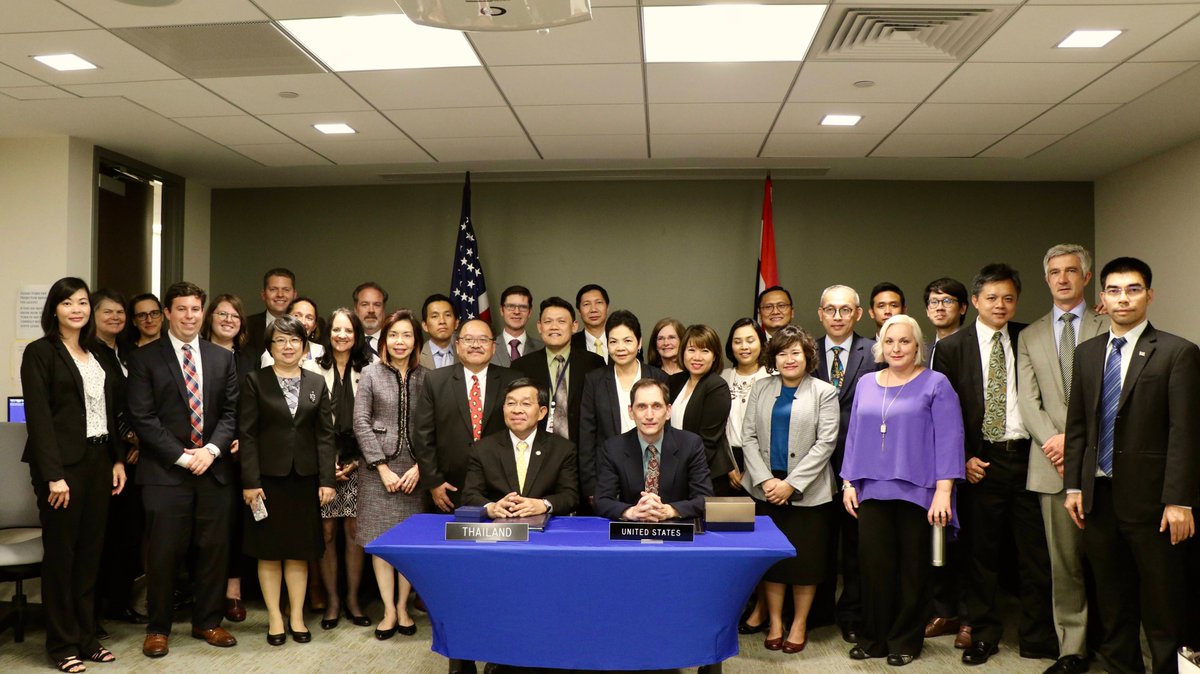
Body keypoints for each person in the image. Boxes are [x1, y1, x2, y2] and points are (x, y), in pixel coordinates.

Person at [1064, 257, 1200, 674]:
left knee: (1162, 606)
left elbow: (1186, 432)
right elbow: (1078, 427)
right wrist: (1073, 486)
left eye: (1134, 289)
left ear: (1149, 295)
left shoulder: (1178, 353)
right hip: (1098, 499)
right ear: (1102, 298)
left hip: (1155, 504)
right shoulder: (1087, 353)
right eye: (1115, 290)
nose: (1124, 298)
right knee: (1112, 602)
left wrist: (1179, 500)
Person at [932, 263, 1056, 665]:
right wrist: (963, 457)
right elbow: (944, 414)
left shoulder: (1031, 336)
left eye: (1008, 298)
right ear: (974, 301)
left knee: (1035, 553)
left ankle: (1039, 637)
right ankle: (984, 633)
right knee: (980, 555)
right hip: (980, 461)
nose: (1000, 305)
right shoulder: (952, 348)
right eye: (991, 298)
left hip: (1030, 459)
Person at [841, 315, 965, 666]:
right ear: (881, 345)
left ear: (917, 346)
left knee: (913, 571)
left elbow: (950, 439)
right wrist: (848, 481)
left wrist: (944, 491)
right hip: (871, 490)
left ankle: (905, 640)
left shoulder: (936, 383)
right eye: (890, 341)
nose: (897, 348)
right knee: (874, 569)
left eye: (905, 341)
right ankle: (874, 637)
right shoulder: (866, 382)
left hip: (920, 491)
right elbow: (853, 437)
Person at [126, 281, 240, 658]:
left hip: (214, 470)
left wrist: (210, 450)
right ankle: (158, 628)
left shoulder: (222, 358)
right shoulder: (145, 359)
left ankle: (208, 621)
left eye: (195, 309)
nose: (189, 316)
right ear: (168, 313)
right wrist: (182, 456)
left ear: (202, 313)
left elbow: (231, 413)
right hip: (165, 473)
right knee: (163, 553)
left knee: (213, 550)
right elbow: (143, 418)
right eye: (181, 309)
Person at [21, 277, 127, 673]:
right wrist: (53, 475)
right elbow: (39, 417)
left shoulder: (96, 351)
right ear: (55, 309)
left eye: (82, 302)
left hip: (100, 461)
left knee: (89, 555)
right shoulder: (40, 352)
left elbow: (109, 411)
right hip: (61, 469)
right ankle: (61, 644)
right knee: (62, 557)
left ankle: (86, 636)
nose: (77, 309)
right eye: (68, 303)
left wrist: (117, 459)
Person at [1016, 244, 1108, 674]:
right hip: (1050, 464)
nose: (1063, 278)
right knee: (1064, 564)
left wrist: (1075, 442)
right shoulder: (1029, 335)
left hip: (1105, 464)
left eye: (1072, 271)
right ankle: (1072, 648)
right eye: (1055, 272)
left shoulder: (1109, 323)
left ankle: (1117, 644)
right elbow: (1027, 400)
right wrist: (1054, 440)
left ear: (1086, 278)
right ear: (1047, 278)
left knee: (1112, 561)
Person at [740, 325, 838, 655]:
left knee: (805, 564)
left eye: (795, 352)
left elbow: (826, 443)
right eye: (782, 353)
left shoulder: (824, 392)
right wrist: (766, 480)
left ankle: (799, 624)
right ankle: (777, 622)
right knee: (773, 562)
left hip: (808, 493)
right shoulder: (761, 387)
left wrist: (791, 484)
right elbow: (748, 436)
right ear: (773, 358)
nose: (788, 358)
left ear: (808, 356)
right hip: (765, 489)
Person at [239, 315, 336, 646]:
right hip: (266, 480)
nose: (288, 346)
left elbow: (325, 436)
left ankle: (296, 616)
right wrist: (250, 482)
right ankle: (275, 619)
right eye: (280, 340)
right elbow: (247, 435)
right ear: (270, 347)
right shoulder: (255, 381)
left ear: (305, 346)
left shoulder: (316, 383)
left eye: (294, 340)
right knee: (269, 552)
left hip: (305, 480)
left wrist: (327, 481)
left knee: (298, 551)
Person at [354, 309, 428, 640]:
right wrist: (380, 466)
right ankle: (387, 609)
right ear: (385, 340)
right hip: (377, 472)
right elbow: (360, 422)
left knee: (409, 545)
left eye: (407, 335)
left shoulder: (428, 377)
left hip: (415, 470)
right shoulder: (370, 373)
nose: (400, 341)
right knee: (381, 543)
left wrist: (421, 467)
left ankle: (403, 606)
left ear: (416, 341)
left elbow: (434, 428)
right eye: (394, 335)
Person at [811, 284, 876, 643]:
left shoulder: (876, 351)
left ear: (858, 313)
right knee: (818, 539)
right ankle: (818, 611)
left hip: (861, 461)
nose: (837, 316)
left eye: (845, 310)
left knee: (855, 544)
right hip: (814, 463)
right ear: (820, 313)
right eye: (830, 310)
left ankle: (852, 612)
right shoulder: (807, 352)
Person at [414, 318, 518, 513]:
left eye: (483, 340)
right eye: (469, 339)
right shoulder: (435, 381)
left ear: (493, 347)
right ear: (458, 345)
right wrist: (434, 482)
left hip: (503, 486)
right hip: (449, 487)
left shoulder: (513, 380)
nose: (476, 345)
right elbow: (423, 436)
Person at [922, 275, 975, 648]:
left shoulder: (976, 346)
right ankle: (944, 609)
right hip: (926, 463)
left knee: (967, 542)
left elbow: (971, 410)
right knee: (937, 538)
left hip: (965, 461)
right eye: (934, 301)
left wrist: (967, 456)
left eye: (948, 301)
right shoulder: (919, 349)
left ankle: (969, 618)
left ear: (963, 307)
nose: (940, 307)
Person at [313, 308, 373, 630]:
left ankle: (353, 598)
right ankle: (332, 600)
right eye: (336, 330)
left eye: (348, 330)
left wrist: (357, 460)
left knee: (353, 532)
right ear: (328, 333)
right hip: (324, 463)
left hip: (359, 461)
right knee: (326, 533)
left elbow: (376, 419)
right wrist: (326, 466)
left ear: (356, 334)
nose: (342, 336)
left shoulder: (370, 368)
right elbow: (305, 422)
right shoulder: (312, 368)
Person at [91, 289, 147, 627]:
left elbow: (137, 403)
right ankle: (93, 610)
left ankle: (119, 601)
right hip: (105, 456)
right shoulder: (88, 353)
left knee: (129, 533)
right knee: (102, 535)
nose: (115, 318)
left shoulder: (127, 352)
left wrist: (142, 441)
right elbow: (104, 410)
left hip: (134, 458)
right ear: (94, 316)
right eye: (107, 312)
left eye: (120, 313)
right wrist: (127, 439)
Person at [199, 293, 255, 623]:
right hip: (197, 454)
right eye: (222, 314)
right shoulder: (194, 355)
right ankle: (201, 591)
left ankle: (232, 591)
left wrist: (241, 440)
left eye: (235, 315)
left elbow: (256, 406)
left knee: (233, 524)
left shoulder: (250, 358)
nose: (228, 320)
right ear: (210, 318)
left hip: (237, 455)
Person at [578, 310, 669, 510]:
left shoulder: (658, 377)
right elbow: (586, 436)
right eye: (613, 341)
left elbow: (668, 430)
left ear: (639, 342)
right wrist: (591, 487)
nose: (620, 348)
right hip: (609, 475)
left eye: (627, 341)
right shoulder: (595, 380)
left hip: (651, 470)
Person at [595, 378, 712, 520]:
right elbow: (601, 500)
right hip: (631, 533)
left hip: (677, 532)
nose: (649, 415)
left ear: (668, 411)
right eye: (642, 407)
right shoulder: (614, 447)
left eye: (656, 406)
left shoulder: (690, 444)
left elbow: (705, 499)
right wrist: (631, 512)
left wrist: (670, 510)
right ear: (631, 412)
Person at [461, 378, 580, 518]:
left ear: (541, 412)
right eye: (511, 403)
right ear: (503, 409)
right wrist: (491, 508)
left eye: (526, 404)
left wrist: (543, 504)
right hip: (498, 528)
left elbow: (570, 496)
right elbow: (470, 495)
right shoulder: (483, 448)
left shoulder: (562, 449)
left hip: (545, 529)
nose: (517, 410)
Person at [512, 297, 605, 454]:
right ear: (539, 327)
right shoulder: (522, 366)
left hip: (582, 452)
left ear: (574, 326)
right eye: (548, 322)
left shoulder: (593, 363)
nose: (554, 327)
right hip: (535, 453)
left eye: (561, 321)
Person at [668, 324, 735, 494]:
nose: (697, 357)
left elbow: (708, 442)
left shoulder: (717, 387)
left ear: (714, 357)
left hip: (705, 476)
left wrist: (679, 473)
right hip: (675, 470)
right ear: (683, 352)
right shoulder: (675, 381)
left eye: (705, 351)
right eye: (691, 350)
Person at [245, 268, 297, 362]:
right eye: (273, 289)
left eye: (286, 290)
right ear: (263, 294)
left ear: (294, 295)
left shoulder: (306, 325)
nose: (280, 294)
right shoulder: (246, 326)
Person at [261, 297, 324, 367]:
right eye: (297, 315)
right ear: (286, 319)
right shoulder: (273, 354)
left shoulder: (321, 352)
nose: (303, 322)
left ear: (314, 326)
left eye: (309, 318)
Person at [491, 285, 543, 367]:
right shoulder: (488, 347)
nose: (516, 312)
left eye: (523, 307)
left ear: (529, 312)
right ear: (501, 310)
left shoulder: (542, 348)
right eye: (511, 306)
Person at [418, 293, 458, 369]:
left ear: (456, 323)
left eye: (447, 315)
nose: (442, 321)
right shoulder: (415, 356)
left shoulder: (466, 354)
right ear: (425, 325)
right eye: (435, 316)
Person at [570, 284, 609, 362]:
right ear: (579, 311)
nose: (593, 309)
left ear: (607, 308)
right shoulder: (570, 344)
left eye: (598, 302)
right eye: (586, 304)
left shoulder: (622, 340)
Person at [353, 282, 387, 358]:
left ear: (383, 309)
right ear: (355, 309)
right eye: (365, 304)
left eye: (377, 305)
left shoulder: (394, 343)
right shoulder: (345, 341)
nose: (371, 310)